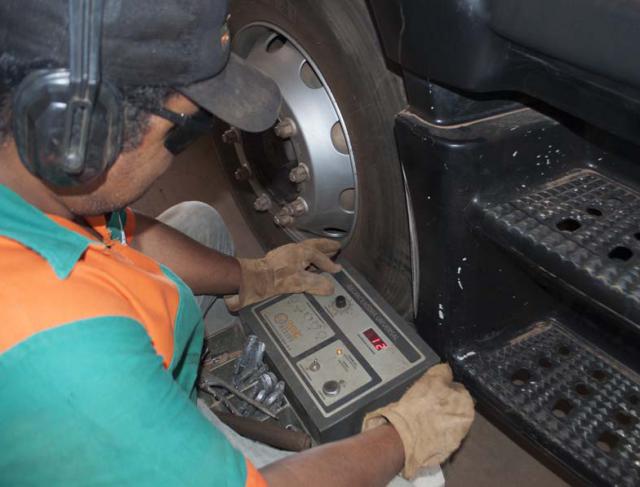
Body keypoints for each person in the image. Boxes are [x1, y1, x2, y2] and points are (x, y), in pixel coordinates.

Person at [0, 0, 475, 486]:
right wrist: (401, 438)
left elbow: (116, 232)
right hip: (96, 405)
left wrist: (253, 275)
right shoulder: (67, 355)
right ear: (71, 139)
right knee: (417, 482)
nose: (176, 157)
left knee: (198, 220)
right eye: (184, 132)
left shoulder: (27, 184)